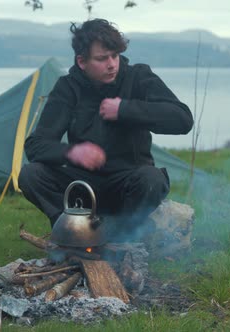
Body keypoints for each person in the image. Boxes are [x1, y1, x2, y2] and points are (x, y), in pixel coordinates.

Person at [18, 18, 193, 241]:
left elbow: (183, 120)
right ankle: (72, 232)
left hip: (130, 182)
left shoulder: (137, 77)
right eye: (102, 59)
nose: (112, 64)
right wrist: (72, 152)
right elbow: (35, 145)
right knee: (31, 174)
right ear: (82, 62)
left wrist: (126, 109)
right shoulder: (68, 88)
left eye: (115, 56)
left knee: (152, 179)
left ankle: (121, 238)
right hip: (83, 186)